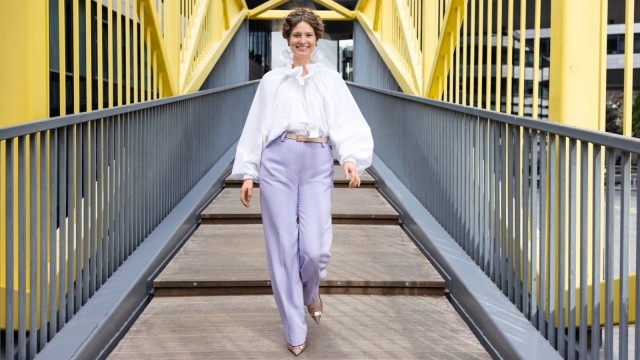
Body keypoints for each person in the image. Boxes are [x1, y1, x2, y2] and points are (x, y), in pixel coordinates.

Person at [231, 8, 374, 357]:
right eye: (297, 35)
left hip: (316, 160)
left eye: (309, 35)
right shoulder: (271, 81)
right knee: (282, 247)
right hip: (277, 160)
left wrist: (351, 159)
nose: (303, 40)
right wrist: (249, 173)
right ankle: (295, 327)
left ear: (317, 39)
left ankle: (311, 293)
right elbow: (256, 125)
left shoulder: (331, 80)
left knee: (315, 248)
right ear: (288, 38)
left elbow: (345, 121)